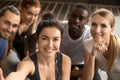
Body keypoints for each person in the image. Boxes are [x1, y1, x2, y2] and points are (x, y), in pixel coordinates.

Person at [1, 20, 71, 80]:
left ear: (60, 40)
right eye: (44, 38)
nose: (50, 45)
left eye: (55, 39)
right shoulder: (28, 62)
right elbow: (18, 75)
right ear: (37, 39)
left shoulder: (65, 61)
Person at [83, 8, 120, 80]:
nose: (97, 30)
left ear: (111, 30)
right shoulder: (88, 44)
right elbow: (87, 78)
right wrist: (93, 54)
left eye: (103, 26)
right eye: (94, 24)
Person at [60, 3, 91, 79]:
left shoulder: (90, 34)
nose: (76, 20)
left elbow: (92, 68)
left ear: (87, 21)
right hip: (61, 63)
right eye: (74, 16)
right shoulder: (59, 27)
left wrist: (69, 73)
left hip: (81, 66)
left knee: (96, 77)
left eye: (81, 18)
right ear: (68, 15)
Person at [0, 5, 20, 75]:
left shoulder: (4, 37)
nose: (10, 29)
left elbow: (3, 60)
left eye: (14, 26)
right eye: (6, 23)